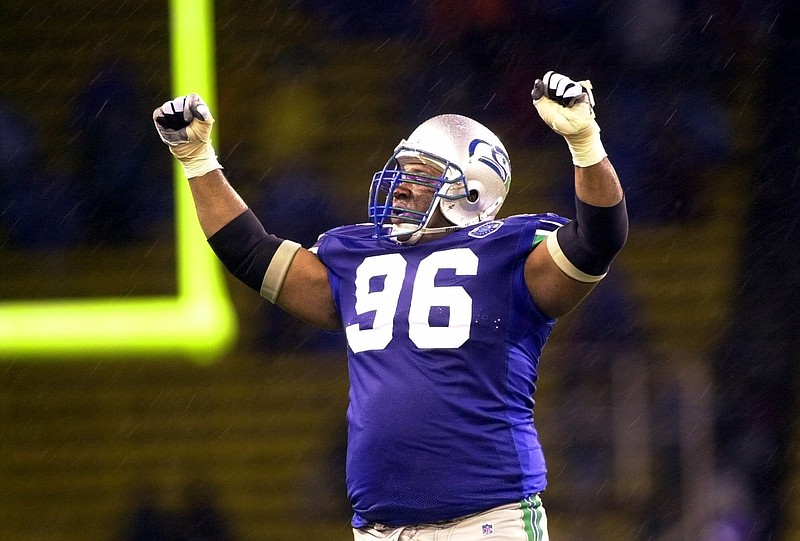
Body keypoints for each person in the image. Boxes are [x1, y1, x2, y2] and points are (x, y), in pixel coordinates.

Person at [151, 70, 628, 540]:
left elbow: (598, 238)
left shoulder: (508, 249)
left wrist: (585, 143)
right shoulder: (357, 255)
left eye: (420, 175)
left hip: (490, 520)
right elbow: (252, 254)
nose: (399, 184)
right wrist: (196, 159)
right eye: (401, 170)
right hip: (383, 529)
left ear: (472, 192)